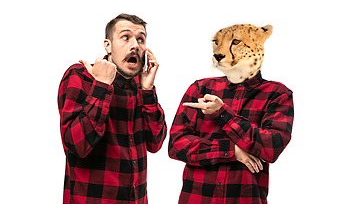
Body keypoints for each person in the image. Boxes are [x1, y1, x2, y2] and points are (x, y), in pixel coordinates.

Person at [168, 24, 294, 204]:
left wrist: (222, 113)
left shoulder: (277, 94)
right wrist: (232, 151)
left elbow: (271, 147)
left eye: (235, 42)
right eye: (217, 43)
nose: (219, 51)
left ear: (258, 45)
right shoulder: (200, 88)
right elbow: (176, 146)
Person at [58, 13, 167, 204]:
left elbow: (155, 143)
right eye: (125, 37)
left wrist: (148, 91)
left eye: (141, 39)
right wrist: (102, 85)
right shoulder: (81, 76)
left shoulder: (139, 85)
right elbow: (76, 146)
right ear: (107, 45)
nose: (135, 45)